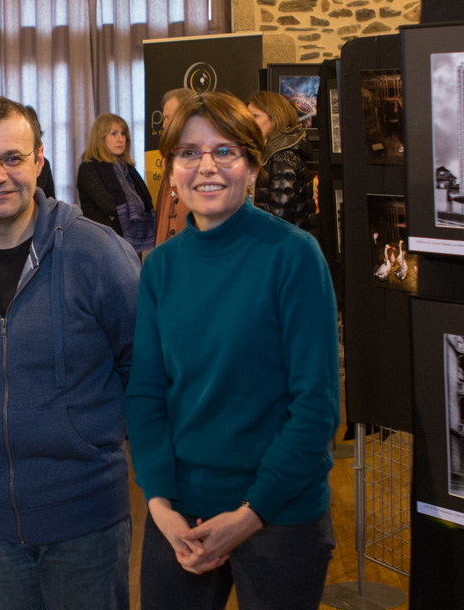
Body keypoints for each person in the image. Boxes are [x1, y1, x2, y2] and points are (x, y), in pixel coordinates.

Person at [0, 96, 140, 610]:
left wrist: (86, 428)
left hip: (86, 515)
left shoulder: (98, 253)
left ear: (38, 161)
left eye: (12, 158)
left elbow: (139, 359)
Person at [126, 91, 338, 610]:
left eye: (225, 151)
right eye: (189, 153)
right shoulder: (160, 268)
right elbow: (146, 394)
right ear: (170, 170)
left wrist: (250, 514)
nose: (207, 167)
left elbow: (316, 406)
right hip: (180, 512)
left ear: (253, 165)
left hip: (279, 511)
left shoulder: (293, 256)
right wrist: (160, 504)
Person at [77, 112, 156, 255]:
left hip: (130, 244)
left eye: (123, 134)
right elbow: (109, 206)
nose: (120, 139)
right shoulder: (88, 167)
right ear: (100, 138)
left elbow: (145, 202)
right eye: (114, 134)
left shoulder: (128, 169)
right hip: (102, 245)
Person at [247, 90, 317, 230]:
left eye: (254, 116)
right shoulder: (277, 153)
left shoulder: (282, 158)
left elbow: (279, 221)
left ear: (275, 119)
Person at [155, 88, 196, 246]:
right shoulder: (171, 154)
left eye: (168, 117)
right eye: (164, 118)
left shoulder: (206, 158)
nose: (164, 124)